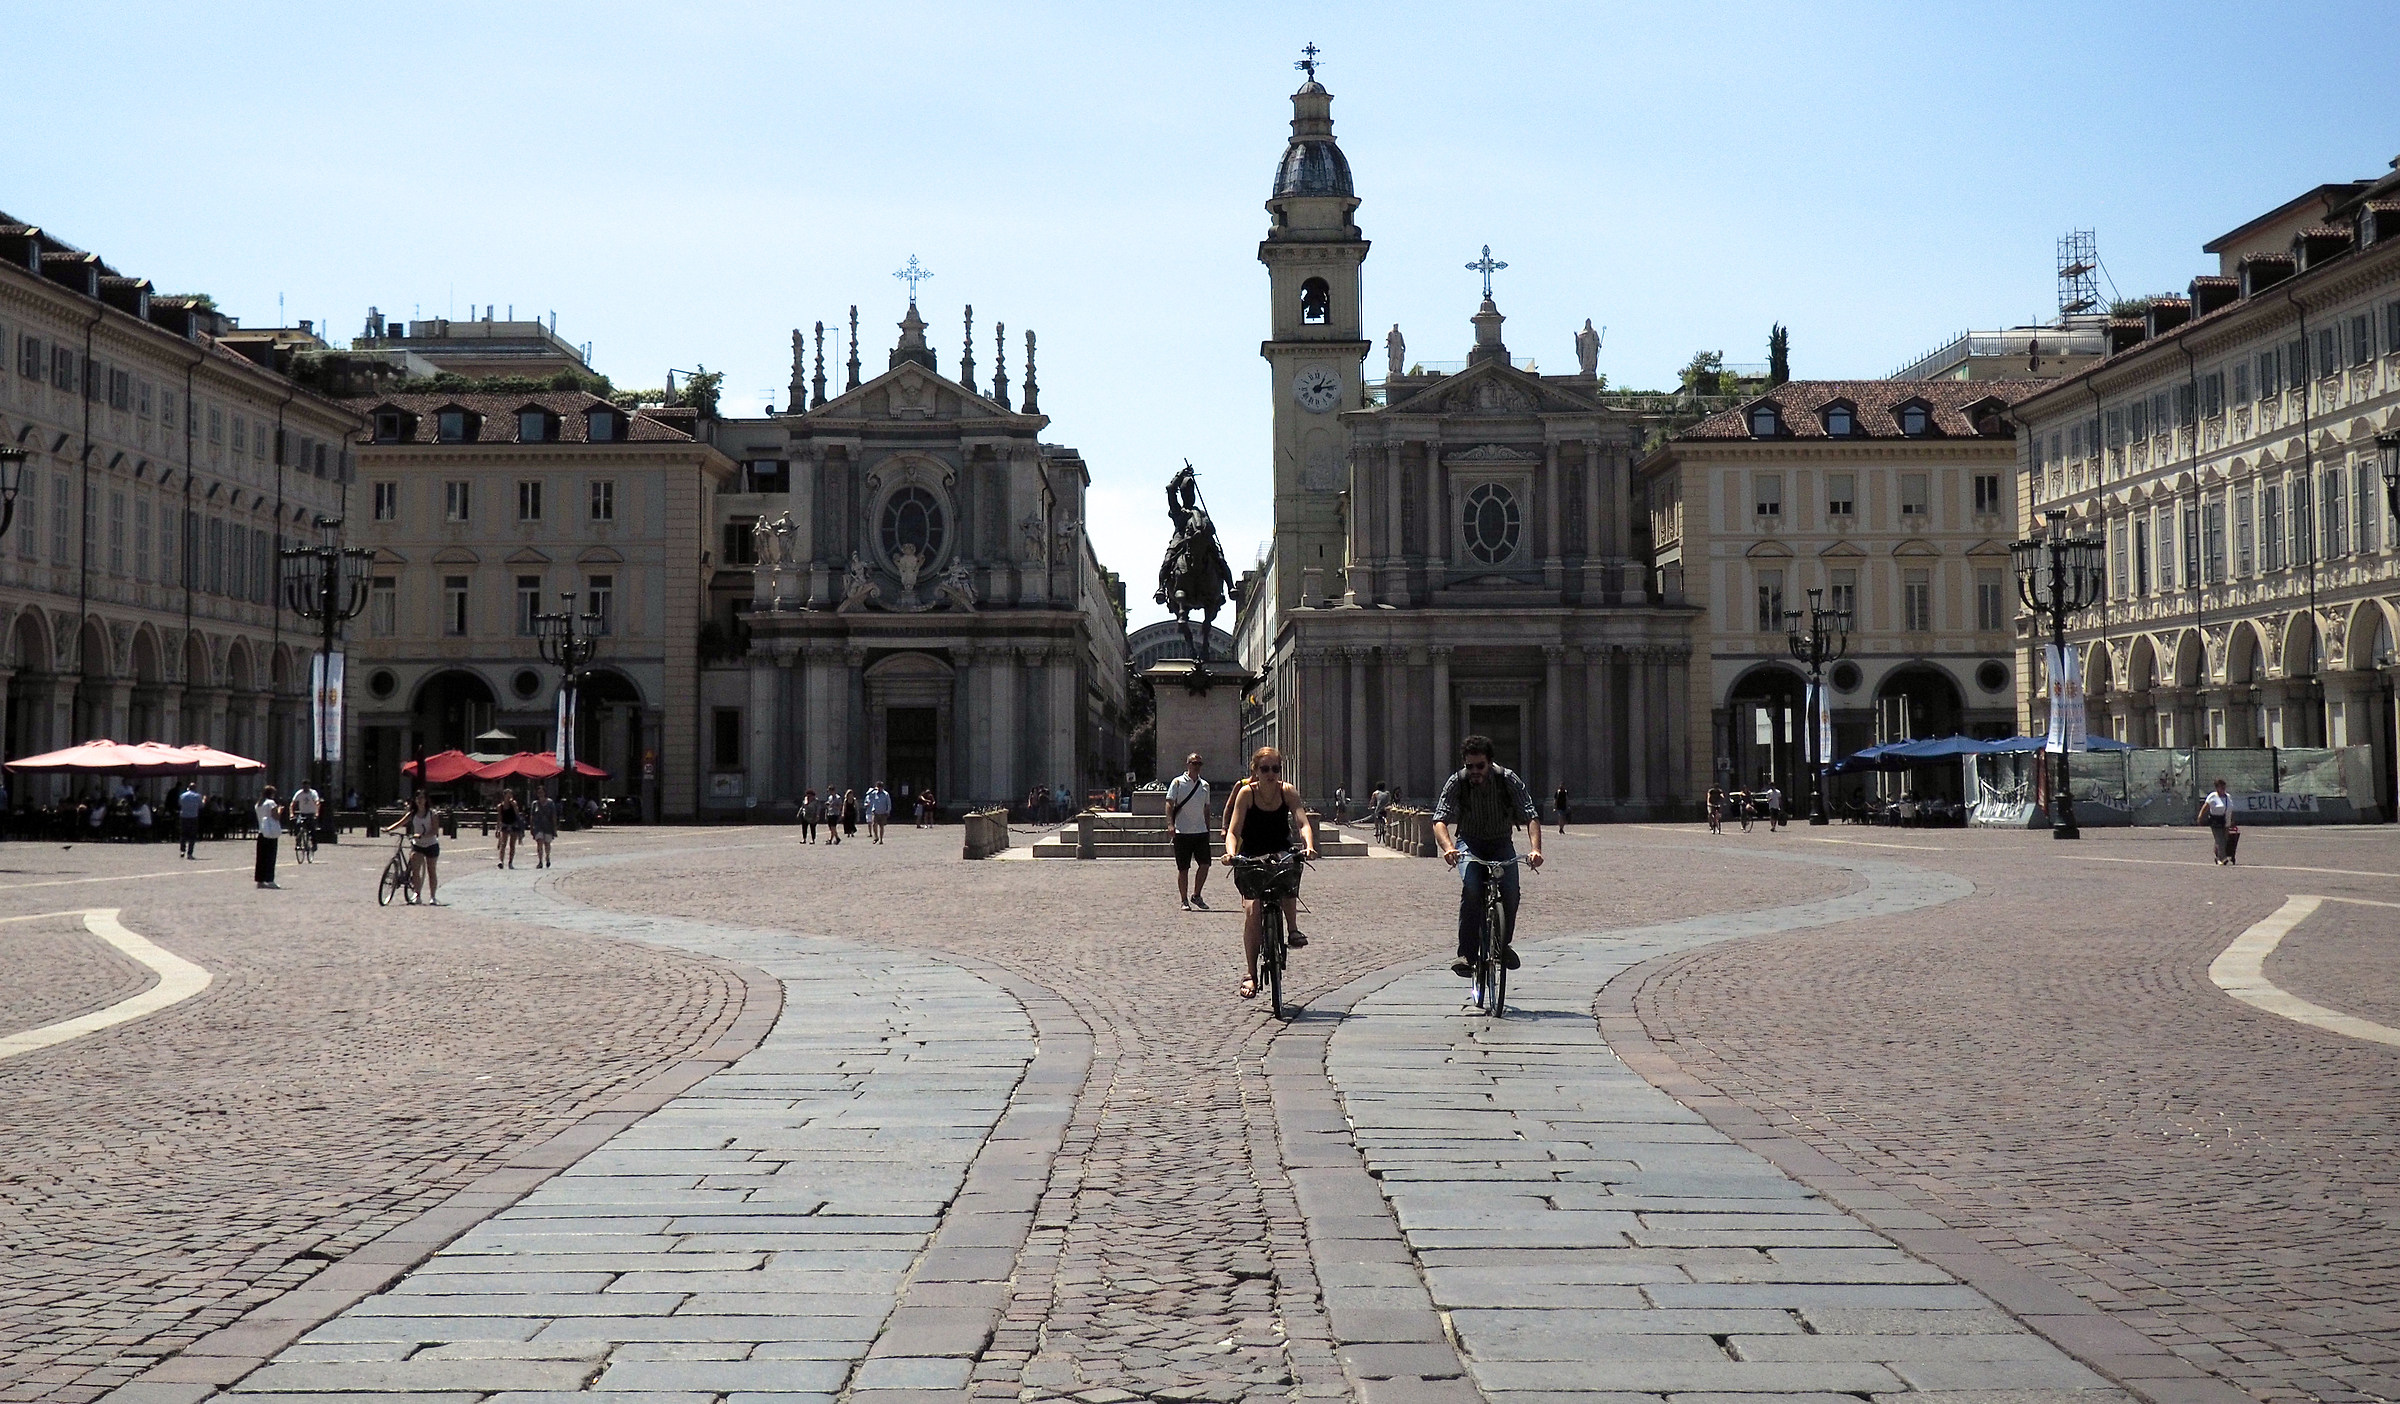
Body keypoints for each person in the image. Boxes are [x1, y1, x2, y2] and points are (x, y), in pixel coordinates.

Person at [1431, 735, 1544, 979]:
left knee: (1512, 890)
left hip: (1501, 843)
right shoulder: (1457, 782)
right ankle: (1468, 954)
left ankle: (1502, 945)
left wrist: (1536, 849)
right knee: (1471, 888)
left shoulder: (1508, 779)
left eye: (1479, 766)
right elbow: (1440, 819)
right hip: (1469, 843)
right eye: (1469, 766)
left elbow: (1530, 814)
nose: (1474, 771)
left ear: (1490, 763)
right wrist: (1448, 847)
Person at [1221, 746, 1317, 1000]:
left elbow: (1302, 822)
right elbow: (1233, 831)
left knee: (1288, 872)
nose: (1271, 774)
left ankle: (1293, 928)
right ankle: (1251, 973)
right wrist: (1231, 853)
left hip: (1280, 849)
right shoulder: (1246, 794)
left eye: (1275, 768)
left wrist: (1308, 845)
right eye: (1265, 769)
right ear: (1255, 771)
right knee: (1252, 910)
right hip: (1252, 853)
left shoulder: (1287, 792)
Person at [1166, 752, 1214, 912]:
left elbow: (1206, 808)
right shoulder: (1178, 782)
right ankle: (1184, 899)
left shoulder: (1205, 785)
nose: (1196, 766)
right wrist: (1170, 824)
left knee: (1205, 864)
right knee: (1183, 868)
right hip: (1182, 831)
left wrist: (1208, 827)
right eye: (1194, 763)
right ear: (1188, 764)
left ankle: (1197, 895)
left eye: (1199, 764)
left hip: (1200, 831)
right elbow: (1169, 803)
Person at [385, 790, 445, 905]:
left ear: (426, 800)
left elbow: (435, 830)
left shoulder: (432, 814)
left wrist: (422, 835)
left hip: (431, 844)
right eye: (418, 798)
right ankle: (417, 895)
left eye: (422, 798)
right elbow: (400, 823)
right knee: (416, 871)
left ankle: (433, 897)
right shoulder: (412, 813)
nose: (420, 800)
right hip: (417, 845)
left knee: (431, 871)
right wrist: (388, 829)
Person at [2198, 778, 2239, 866]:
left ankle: (2218, 854)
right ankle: (2222, 858)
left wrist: (2232, 820)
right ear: (2217, 788)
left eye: (2224, 787)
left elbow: (2230, 809)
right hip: (2215, 820)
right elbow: (2205, 807)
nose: (2223, 789)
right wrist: (2200, 816)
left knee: (2224, 839)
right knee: (2220, 840)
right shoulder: (2212, 796)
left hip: (2226, 821)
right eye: (2221, 787)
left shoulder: (2228, 797)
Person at [253, 785, 283, 889]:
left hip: (262, 832)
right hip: (270, 833)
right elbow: (276, 817)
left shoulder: (258, 804)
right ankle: (270, 879)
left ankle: (260, 880)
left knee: (261, 858)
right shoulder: (271, 803)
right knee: (270, 857)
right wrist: (280, 810)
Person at [290, 781, 321, 861]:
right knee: (298, 825)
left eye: (307, 786)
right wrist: (291, 813)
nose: (305, 788)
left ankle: (314, 844)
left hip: (311, 813)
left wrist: (317, 812)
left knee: (312, 829)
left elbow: (317, 802)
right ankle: (298, 842)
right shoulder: (299, 793)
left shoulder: (313, 793)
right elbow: (292, 804)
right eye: (304, 786)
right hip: (302, 813)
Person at [531, 790, 559, 869]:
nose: (540, 794)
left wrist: (554, 827)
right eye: (539, 792)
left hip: (548, 826)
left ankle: (547, 857)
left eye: (542, 792)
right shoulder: (535, 804)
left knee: (547, 843)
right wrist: (532, 826)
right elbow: (532, 816)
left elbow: (553, 815)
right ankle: (540, 861)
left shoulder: (550, 803)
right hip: (538, 826)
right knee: (539, 842)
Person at [495, 789, 522, 869]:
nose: (509, 796)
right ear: (504, 795)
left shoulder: (514, 804)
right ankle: (501, 861)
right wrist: (497, 829)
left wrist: (514, 805)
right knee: (503, 843)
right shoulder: (500, 806)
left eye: (511, 794)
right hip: (505, 824)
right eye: (508, 795)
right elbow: (499, 817)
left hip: (513, 824)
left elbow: (517, 814)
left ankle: (510, 862)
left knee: (512, 844)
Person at [177, 781, 203, 859]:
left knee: (183, 834)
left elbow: (179, 804)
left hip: (184, 816)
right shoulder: (198, 796)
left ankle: (182, 850)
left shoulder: (182, 795)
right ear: (195, 788)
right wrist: (204, 800)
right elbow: (201, 806)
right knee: (192, 836)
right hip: (193, 817)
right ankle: (190, 853)